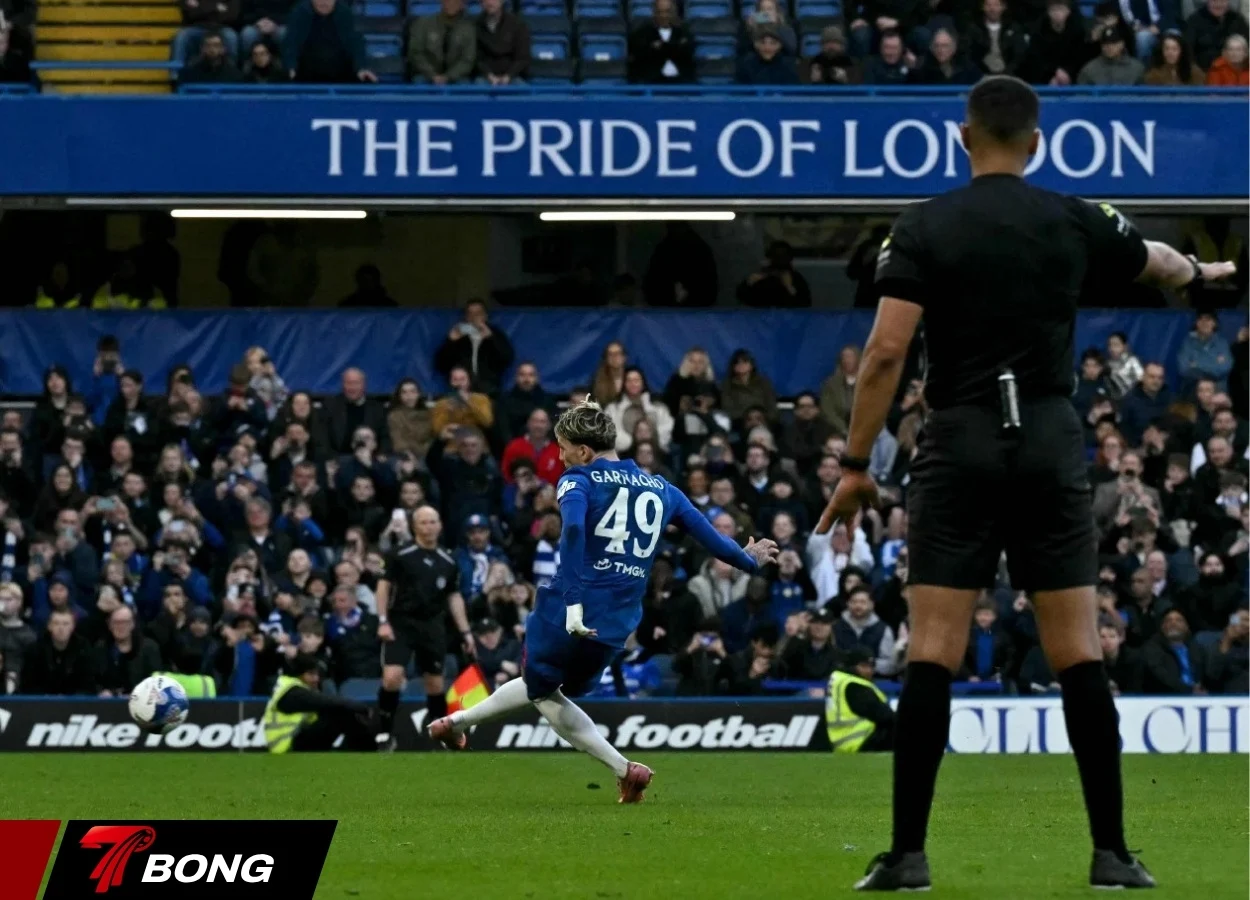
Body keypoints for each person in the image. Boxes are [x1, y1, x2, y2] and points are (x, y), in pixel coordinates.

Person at [817, 75, 1237, 893]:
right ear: (1037, 142)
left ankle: (907, 855)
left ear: (963, 138)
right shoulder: (1074, 216)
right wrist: (1198, 268)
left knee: (933, 652)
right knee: (1079, 651)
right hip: (1047, 438)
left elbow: (887, 352)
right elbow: (1156, 262)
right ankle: (1112, 854)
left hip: (960, 441)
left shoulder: (924, 224)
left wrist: (858, 464)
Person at [425, 401, 777, 801]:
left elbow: (573, 532)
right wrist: (749, 560)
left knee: (540, 690)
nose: (560, 457)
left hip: (566, 610)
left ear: (583, 451)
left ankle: (622, 768)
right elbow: (714, 541)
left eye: (563, 449)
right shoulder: (665, 490)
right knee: (545, 688)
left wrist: (574, 602)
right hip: (615, 624)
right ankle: (457, 723)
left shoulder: (578, 479)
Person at [374, 505, 474, 748]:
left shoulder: (448, 560)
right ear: (414, 526)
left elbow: (453, 597)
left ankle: (439, 737)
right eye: (423, 522)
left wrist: (466, 632)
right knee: (392, 677)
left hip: (432, 625)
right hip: (400, 623)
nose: (429, 527)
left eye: (433, 522)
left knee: (435, 683)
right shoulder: (399, 554)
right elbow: (383, 587)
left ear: (440, 525)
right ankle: (384, 733)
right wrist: (383, 621)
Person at [263, 653, 381, 752]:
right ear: (299, 674)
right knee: (340, 713)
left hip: (291, 743)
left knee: (338, 713)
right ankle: (369, 751)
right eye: (311, 674)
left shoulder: (288, 687)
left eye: (317, 674)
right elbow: (328, 701)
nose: (316, 679)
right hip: (287, 747)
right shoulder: (293, 692)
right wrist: (360, 707)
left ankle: (362, 750)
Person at [825, 647, 895, 752]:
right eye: (863, 666)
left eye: (871, 666)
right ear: (852, 666)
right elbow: (884, 715)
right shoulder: (854, 686)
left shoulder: (839, 679)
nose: (869, 671)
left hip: (844, 743)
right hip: (862, 741)